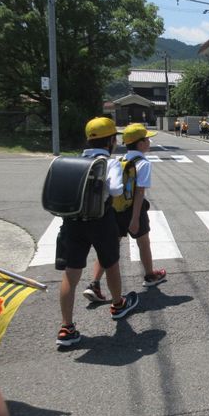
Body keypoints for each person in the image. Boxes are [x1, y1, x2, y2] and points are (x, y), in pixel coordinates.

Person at [57, 117, 139, 347]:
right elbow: (115, 189)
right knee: (111, 262)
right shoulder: (108, 163)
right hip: (101, 220)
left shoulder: (74, 161)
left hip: (72, 222)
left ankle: (66, 327)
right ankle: (118, 305)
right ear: (111, 140)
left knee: (71, 273)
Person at [84, 123, 167, 302]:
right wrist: (135, 218)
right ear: (140, 143)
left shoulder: (120, 160)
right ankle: (150, 275)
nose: (149, 141)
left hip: (115, 210)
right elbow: (140, 192)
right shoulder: (143, 163)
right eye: (147, 138)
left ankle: (94, 283)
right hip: (133, 211)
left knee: (110, 247)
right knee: (143, 243)